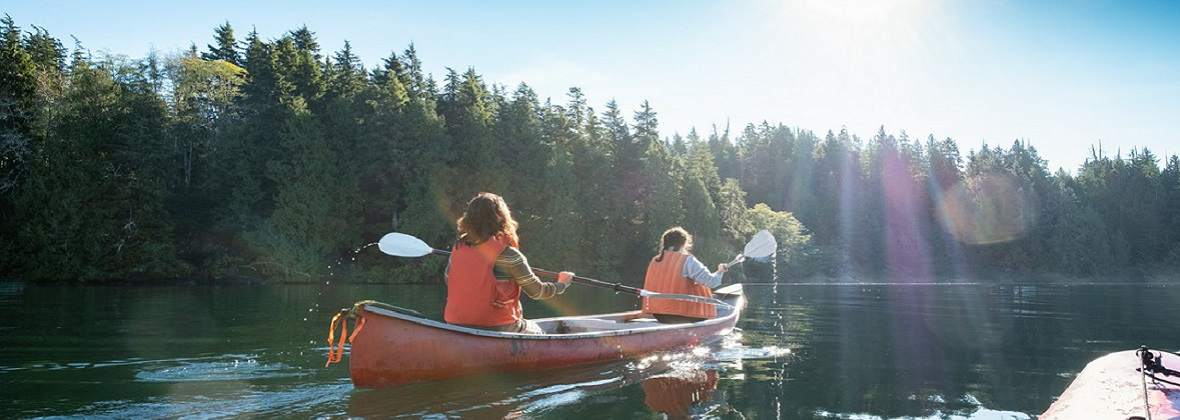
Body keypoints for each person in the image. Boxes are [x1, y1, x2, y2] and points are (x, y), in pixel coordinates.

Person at [444, 192, 574, 334]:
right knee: (541, 332)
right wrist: (562, 284)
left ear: (468, 219)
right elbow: (537, 292)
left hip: (456, 325)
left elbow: (448, 279)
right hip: (498, 326)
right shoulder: (510, 256)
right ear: (501, 218)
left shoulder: (457, 250)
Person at [642, 227, 727, 323]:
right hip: (683, 315)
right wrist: (720, 271)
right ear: (684, 244)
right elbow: (712, 282)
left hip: (659, 314)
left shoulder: (655, 260)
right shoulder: (687, 261)